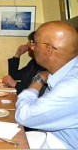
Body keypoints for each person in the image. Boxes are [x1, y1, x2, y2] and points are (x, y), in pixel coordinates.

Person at [15, 21, 78, 149]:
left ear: (48, 49)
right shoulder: (66, 73)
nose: (32, 48)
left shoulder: (71, 87)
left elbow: (24, 115)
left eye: (35, 43)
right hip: (54, 137)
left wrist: (38, 79)